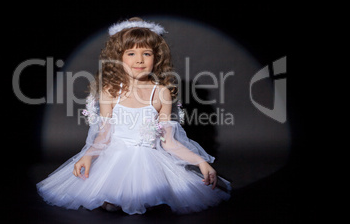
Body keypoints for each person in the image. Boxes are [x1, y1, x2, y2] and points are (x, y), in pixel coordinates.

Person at [36, 17, 231, 215]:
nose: (139, 60)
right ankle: (114, 198)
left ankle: (142, 198)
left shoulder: (161, 93)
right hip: (114, 158)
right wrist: (87, 156)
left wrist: (201, 162)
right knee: (107, 198)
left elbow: (169, 143)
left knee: (156, 196)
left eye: (146, 53)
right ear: (118, 57)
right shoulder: (110, 91)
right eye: (131, 53)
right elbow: (104, 135)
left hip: (149, 159)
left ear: (157, 57)